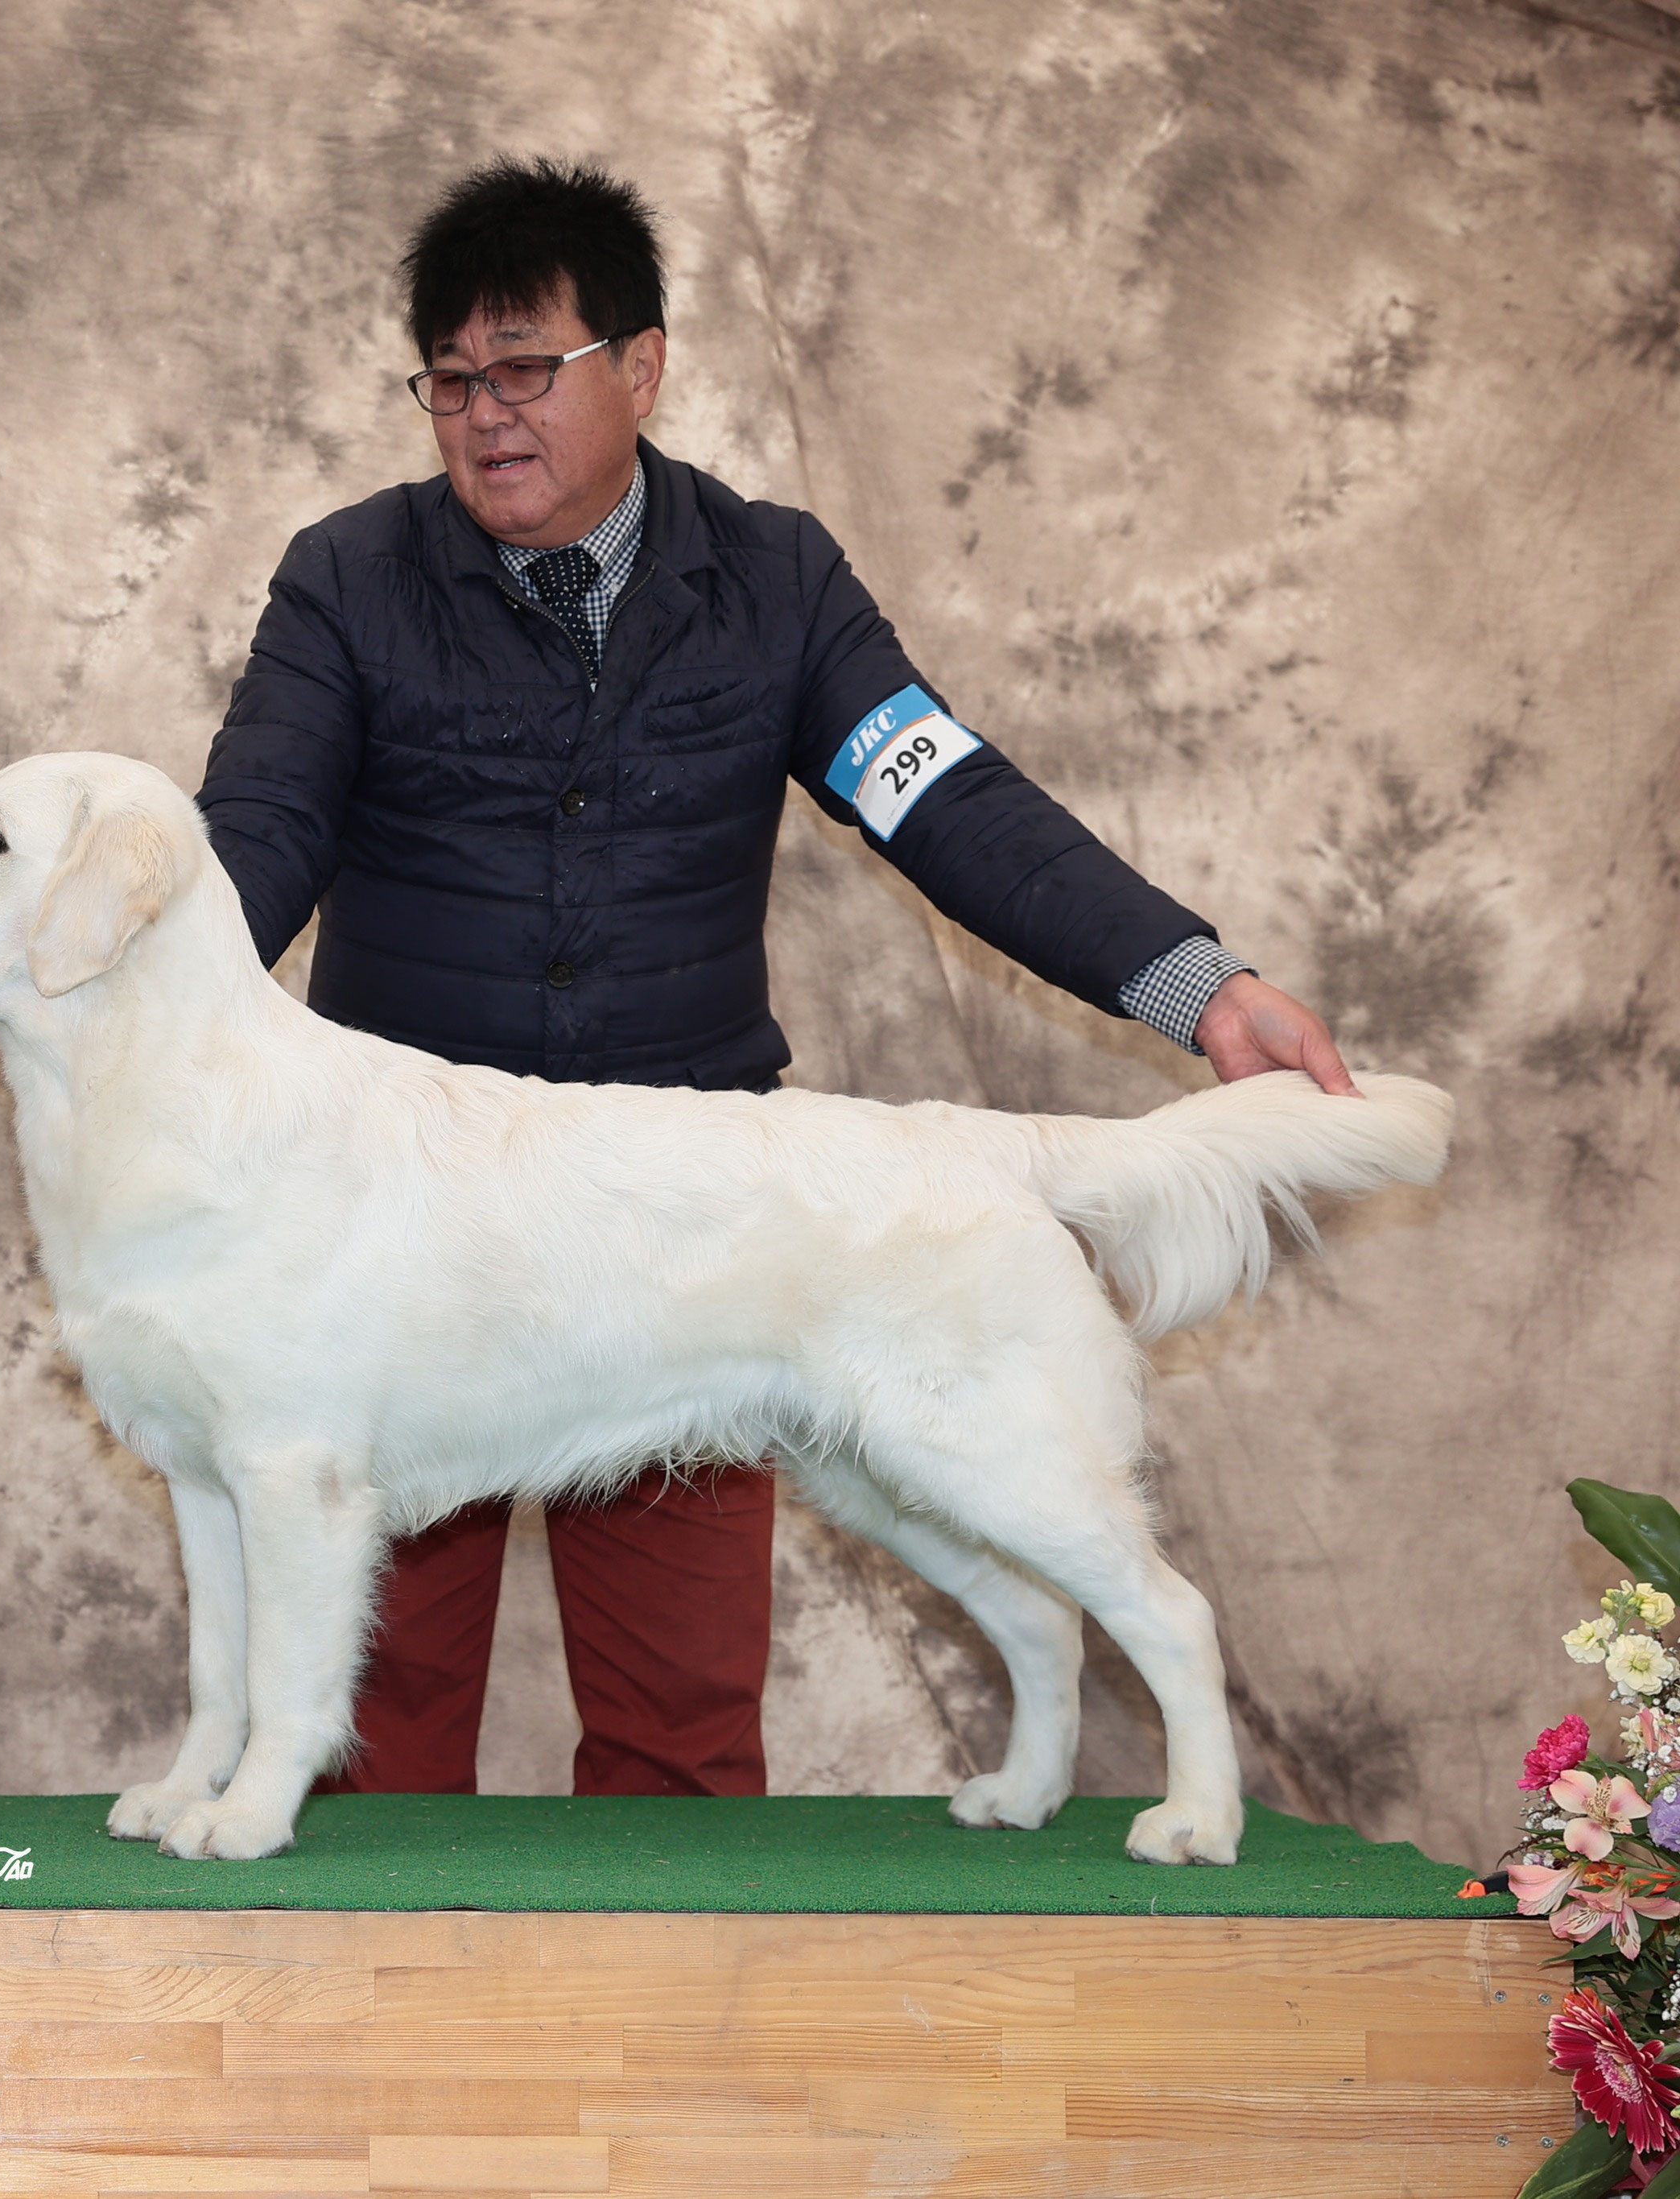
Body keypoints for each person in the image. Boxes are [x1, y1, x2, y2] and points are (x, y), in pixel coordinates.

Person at [195, 158, 1351, 1803]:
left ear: (643, 366)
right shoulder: (346, 576)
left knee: (679, 1734)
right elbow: (255, 835)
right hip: (395, 1233)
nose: (484, 414)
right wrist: (110, 977)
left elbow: (950, 805)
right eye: (450, 381)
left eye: (524, 368)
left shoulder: (778, 580)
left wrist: (1199, 990)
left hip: (697, 1232)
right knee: (363, 1732)